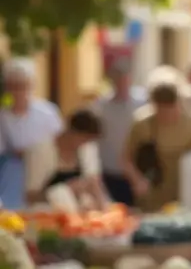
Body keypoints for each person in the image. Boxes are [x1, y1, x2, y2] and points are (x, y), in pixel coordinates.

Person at [124, 76, 191, 212]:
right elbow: (126, 159)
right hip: (152, 196)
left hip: (183, 194)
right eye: (161, 111)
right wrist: (137, 180)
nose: (167, 116)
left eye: (171, 109)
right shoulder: (141, 124)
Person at [0, 59, 65, 208]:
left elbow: (60, 142)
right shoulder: (3, 116)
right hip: (15, 176)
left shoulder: (47, 112)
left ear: (31, 85)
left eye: (23, 85)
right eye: (14, 86)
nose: (19, 91)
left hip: (45, 174)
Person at [27, 110, 109, 208]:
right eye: (84, 139)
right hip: (47, 214)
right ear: (71, 131)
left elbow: (94, 181)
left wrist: (101, 204)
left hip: (79, 215)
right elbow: (30, 196)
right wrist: (64, 191)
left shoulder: (87, 148)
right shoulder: (41, 151)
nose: (85, 144)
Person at [92, 59, 144, 205]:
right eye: (118, 81)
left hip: (136, 172)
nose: (122, 85)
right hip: (109, 170)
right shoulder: (100, 107)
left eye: (125, 80)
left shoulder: (142, 103)